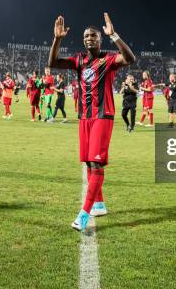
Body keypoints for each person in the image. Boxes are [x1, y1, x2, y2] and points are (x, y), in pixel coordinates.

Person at [48, 13, 135, 232]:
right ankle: (99, 204)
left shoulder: (108, 59)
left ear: (100, 39)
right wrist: (57, 39)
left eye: (94, 36)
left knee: (96, 164)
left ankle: (84, 213)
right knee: (88, 162)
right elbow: (53, 62)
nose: (89, 39)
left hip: (102, 116)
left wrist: (114, 34)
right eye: (86, 36)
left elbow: (130, 58)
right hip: (84, 117)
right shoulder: (79, 60)